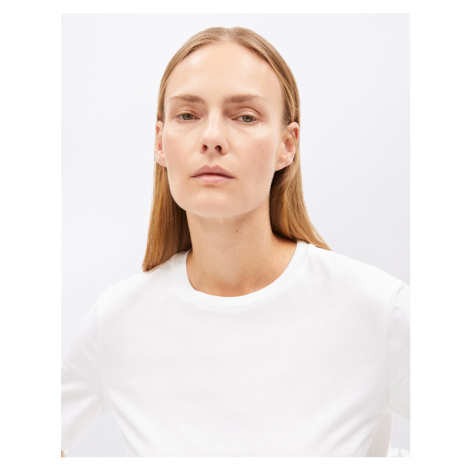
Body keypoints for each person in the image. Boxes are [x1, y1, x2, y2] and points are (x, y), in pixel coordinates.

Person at [61, 26, 409, 457]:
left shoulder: (376, 310)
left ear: (287, 145)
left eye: (245, 117)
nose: (211, 137)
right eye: (187, 115)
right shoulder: (118, 319)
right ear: (160, 143)